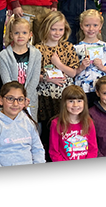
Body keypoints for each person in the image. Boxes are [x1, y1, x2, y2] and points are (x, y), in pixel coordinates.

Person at [34, 11, 81, 140]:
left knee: (64, 129)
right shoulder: (37, 49)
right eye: (53, 29)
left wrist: (58, 63)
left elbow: (73, 72)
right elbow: (32, 74)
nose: (57, 33)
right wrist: (45, 78)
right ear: (46, 28)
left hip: (65, 96)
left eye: (60, 29)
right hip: (45, 96)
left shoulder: (68, 47)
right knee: (47, 130)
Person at [0, 82, 46, 168]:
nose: (15, 104)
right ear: (1, 100)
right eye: (10, 99)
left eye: (20, 99)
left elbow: (38, 149)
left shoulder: (28, 121)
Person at [48, 86, 98, 162]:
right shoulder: (56, 123)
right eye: (71, 101)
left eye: (79, 101)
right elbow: (54, 151)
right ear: (64, 103)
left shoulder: (88, 122)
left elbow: (93, 149)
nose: (75, 105)